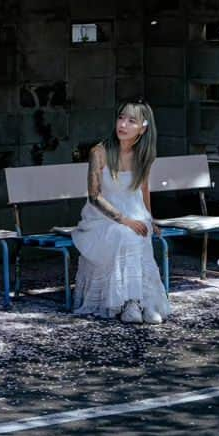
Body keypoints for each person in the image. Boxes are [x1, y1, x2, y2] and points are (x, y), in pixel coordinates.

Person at [71, 100, 172, 323]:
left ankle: (145, 301)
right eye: (121, 118)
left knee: (140, 231)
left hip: (132, 213)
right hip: (101, 218)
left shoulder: (143, 155)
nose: (123, 124)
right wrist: (124, 220)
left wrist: (149, 217)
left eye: (131, 121)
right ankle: (128, 303)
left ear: (143, 129)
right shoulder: (99, 152)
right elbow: (94, 197)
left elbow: (144, 189)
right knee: (125, 233)